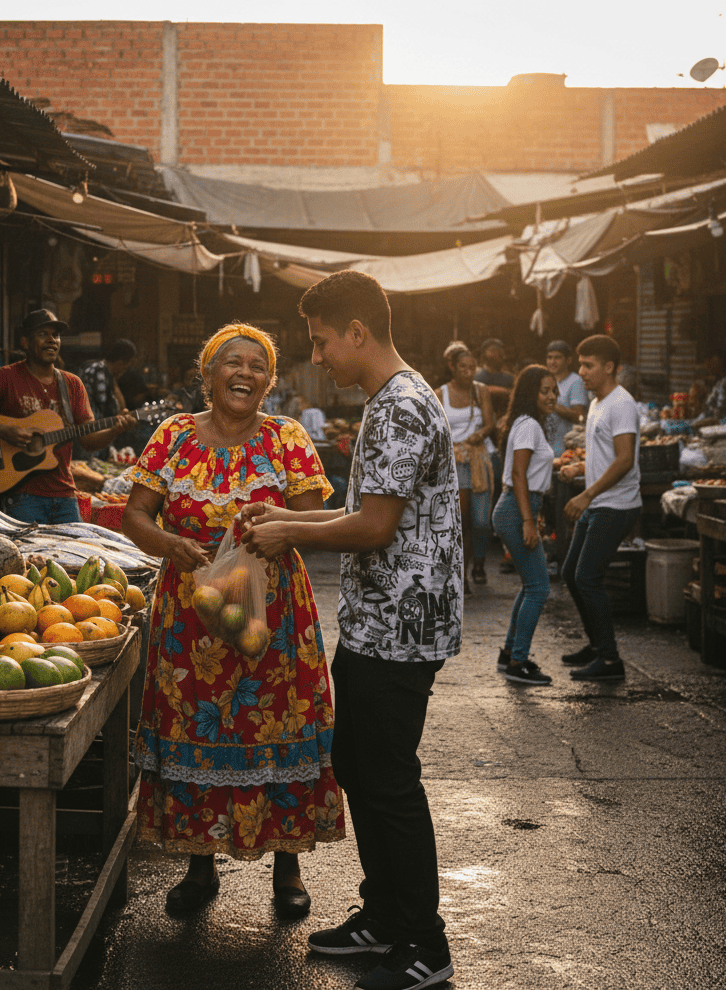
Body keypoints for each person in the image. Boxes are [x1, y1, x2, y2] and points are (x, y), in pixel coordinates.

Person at [241, 270, 460, 990]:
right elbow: (368, 513)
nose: (319, 355)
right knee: (360, 769)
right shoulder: (389, 400)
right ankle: (385, 917)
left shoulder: (399, 406)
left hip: (399, 628)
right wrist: (285, 522)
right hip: (379, 622)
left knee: (389, 780)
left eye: (322, 340)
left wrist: (288, 535)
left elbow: (372, 525)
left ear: (357, 332)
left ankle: (425, 943)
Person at [121, 322, 344, 919]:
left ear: (269, 382)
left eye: (257, 366)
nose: (244, 373)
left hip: (271, 610)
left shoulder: (286, 438)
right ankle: (199, 864)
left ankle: (288, 864)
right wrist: (169, 544)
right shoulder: (171, 436)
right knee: (199, 730)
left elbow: (315, 520)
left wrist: (278, 525)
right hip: (190, 613)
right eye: (232, 362)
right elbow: (134, 513)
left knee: (274, 728)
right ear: (208, 373)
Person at [0, 309, 135, 524]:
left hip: (65, 494)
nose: (52, 340)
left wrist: (115, 429)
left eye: (56, 335)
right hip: (21, 496)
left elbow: (88, 441)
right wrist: (3, 431)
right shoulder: (5, 378)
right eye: (43, 334)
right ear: (25, 342)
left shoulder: (72, 384)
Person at [559, 335, 641, 682]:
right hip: (599, 502)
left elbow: (624, 461)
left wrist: (586, 494)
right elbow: (604, 453)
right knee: (570, 575)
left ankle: (610, 661)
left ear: (609, 368)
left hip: (616, 504)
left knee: (587, 578)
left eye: (588, 365)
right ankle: (596, 645)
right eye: (580, 364)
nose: (581, 372)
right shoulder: (597, 403)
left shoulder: (622, 404)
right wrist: (580, 468)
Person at [492, 365, 558, 686]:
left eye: (554, 391)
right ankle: (518, 662)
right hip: (517, 509)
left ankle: (509, 655)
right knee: (539, 588)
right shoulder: (529, 425)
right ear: (530, 393)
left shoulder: (524, 423)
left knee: (530, 585)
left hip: (517, 507)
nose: (552, 397)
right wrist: (528, 520)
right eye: (544, 391)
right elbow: (519, 475)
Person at [439, 345, 494, 591]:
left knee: (481, 520)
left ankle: (479, 561)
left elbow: (491, 424)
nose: (469, 372)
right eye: (464, 367)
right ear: (452, 367)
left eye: (473, 368)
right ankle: (460, 572)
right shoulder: (441, 393)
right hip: (454, 461)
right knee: (460, 519)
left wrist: (480, 433)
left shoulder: (481, 391)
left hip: (480, 459)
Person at [544, 339, 589, 459]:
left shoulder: (576, 382)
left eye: (557, 358)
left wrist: (551, 404)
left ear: (568, 360)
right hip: (545, 451)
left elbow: (579, 416)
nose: (552, 362)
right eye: (549, 357)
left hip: (565, 453)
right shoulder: (545, 381)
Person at [691, 351, 726, 429]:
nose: (709, 367)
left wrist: (706, 421)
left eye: (712, 363)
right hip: (711, 420)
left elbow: (721, 410)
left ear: (720, 363)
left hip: (721, 424)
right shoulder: (720, 381)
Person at [473, 337, 514, 413]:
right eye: (493, 350)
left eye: (500, 351)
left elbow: (516, 394)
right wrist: (505, 391)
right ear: (484, 354)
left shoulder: (509, 377)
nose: (498, 354)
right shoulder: (476, 374)